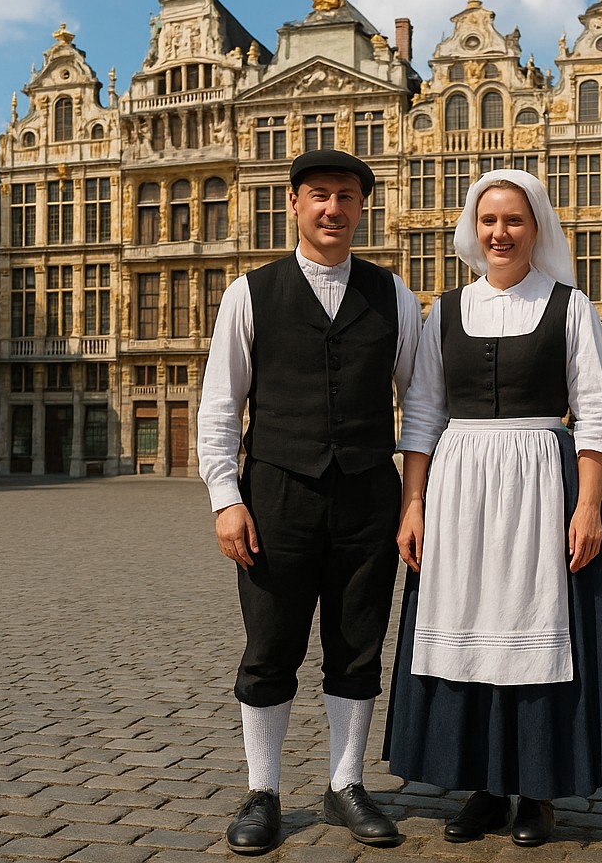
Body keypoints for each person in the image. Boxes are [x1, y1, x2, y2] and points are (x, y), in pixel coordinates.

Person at [385, 169, 602, 847]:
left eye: (514, 221)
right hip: (460, 482)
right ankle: (482, 786)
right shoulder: (443, 310)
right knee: (468, 623)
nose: (500, 232)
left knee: (539, 630)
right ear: (473, 228)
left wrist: (588, 507)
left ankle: (537, 792)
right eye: (489, 220)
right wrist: (413, 504)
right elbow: (421, 416)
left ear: (537, 230)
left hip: (540, 476)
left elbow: (594, 416)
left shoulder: (570, 307)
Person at [198, 149, 422, 856]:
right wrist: (224, 499)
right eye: (320, 194)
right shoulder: (249, 292)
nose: (334, 208)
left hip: (367, 496)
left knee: (357, 647)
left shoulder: (396, 296)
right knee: (270, 647)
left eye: (348, 196)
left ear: (363, 208)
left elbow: (421, 404)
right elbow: (220, 406)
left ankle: (345, 784)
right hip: (275, 495)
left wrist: (413, 500)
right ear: (293, 203)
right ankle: (263, 791)